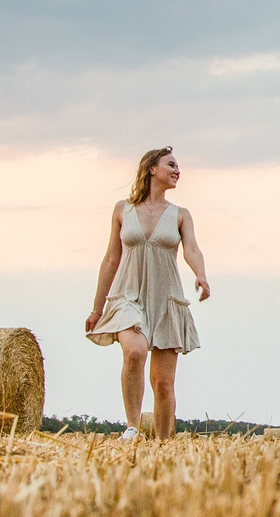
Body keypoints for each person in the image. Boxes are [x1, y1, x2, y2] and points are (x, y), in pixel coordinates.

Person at [85, 146, 210, 439]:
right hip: (128, 296)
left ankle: (163, 447)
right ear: (152, 169)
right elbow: (111, 259)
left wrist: (201, 275)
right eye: (171, 165)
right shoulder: (122, 209)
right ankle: (132, 428)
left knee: (163, 384)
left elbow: (191, 248)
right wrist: (96, 308)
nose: (178, 171)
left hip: (166, 300)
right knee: (135, 352)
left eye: (178, 166)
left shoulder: (180, 215)